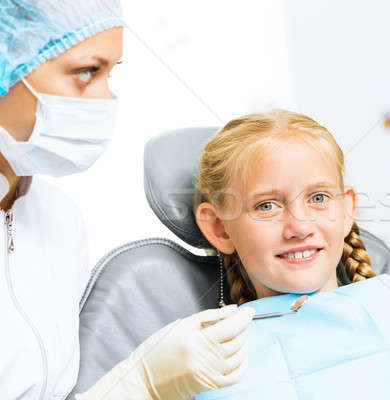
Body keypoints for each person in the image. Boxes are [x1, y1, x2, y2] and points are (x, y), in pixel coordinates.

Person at [0, 1, 253, 399]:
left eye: (111, 73)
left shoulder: (56, 218)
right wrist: (137, 385)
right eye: (87, 72)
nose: (106, 100)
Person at [193, 109, 390, 399]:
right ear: (220, 228)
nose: (299, 227)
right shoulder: (213, 363)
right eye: (266, 205)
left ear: (346, 211)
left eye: (318, 198)